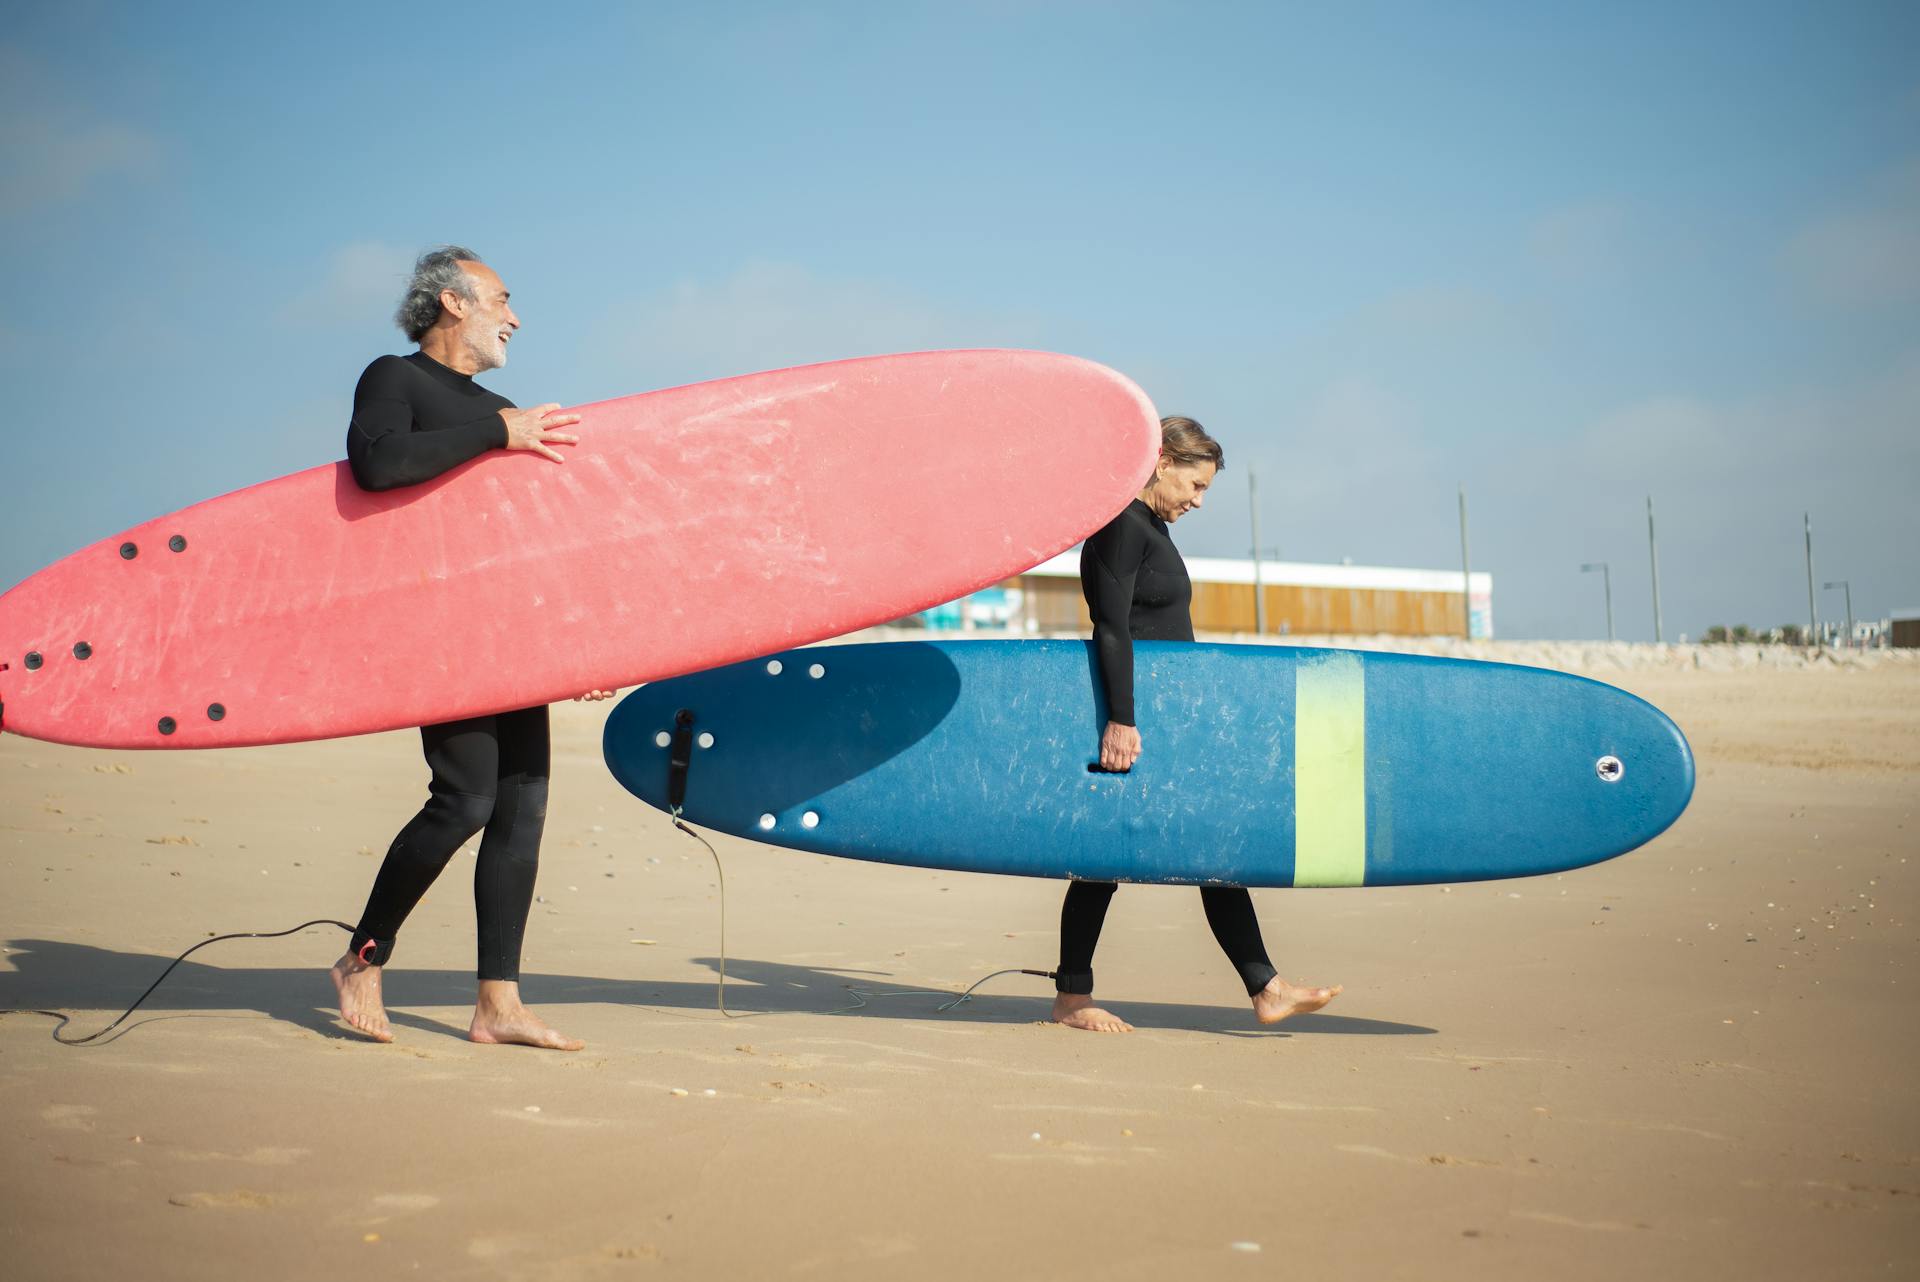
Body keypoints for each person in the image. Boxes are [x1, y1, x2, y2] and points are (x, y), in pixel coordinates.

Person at [328, 246, 611, 1050]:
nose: (514, 315)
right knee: (464, 800)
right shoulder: (394, 378)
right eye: (502, 298)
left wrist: (578, 647)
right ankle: (363, 957)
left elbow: (526, 548)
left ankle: (498, 1003)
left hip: (510, 628)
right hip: (438, 627)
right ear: (451, 303)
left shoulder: (505, 410)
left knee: (522, 808)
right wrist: (497, 433)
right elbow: (378, 465)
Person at [1052, 416, 1342, 1033]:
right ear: (1160, 463)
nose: (1198, 500)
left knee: (1207, 848)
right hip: (1135, 721)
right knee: (1107, 857)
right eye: (1195, 484)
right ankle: (1073, 1000)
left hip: (1167, 722)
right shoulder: (1120, 527)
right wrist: (1120, 722)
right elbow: (1111, 627)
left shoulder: (1149, 528)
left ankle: (1266, 988)